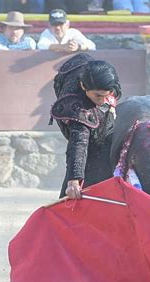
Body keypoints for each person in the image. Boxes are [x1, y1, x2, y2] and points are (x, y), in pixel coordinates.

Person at [50, 53, 122, 199]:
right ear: (83, 86)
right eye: (97, 96)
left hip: (85, 70)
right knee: (91, 146)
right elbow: (79, 143)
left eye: (105, 96)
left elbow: (111, 94)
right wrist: (73, 181)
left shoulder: (108, 79)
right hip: (71, 102)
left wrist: (111, 107)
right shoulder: (76, 107)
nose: (102, 101)